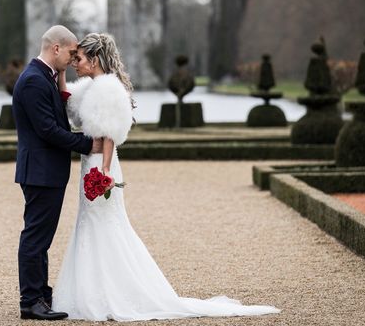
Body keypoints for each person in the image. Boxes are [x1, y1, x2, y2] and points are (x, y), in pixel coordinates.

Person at [52, 32, 281, 321]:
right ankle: (92, 291)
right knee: (90, 224)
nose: (75, 63)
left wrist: (105, 171)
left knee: (104, 224)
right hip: (90, 161)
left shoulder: (107, 89)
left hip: (100, 163)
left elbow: (108, 133)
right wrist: (60, 73)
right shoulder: (90, 87)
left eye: (80, 58)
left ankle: (109, 294)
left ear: (95, 59)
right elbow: (69, 104)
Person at [13, 25, 102, 320]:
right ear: (55, 48)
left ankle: (40, 295)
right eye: (71, 53)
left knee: (41, 237)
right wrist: (89, 144)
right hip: (40, 171)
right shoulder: (33, 81)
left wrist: (62, 81)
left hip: (45, 170)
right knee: (36, 237)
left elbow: (55, 119)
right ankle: (30, 301)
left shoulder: (44, 78)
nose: (74, 59)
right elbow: (49, 130)